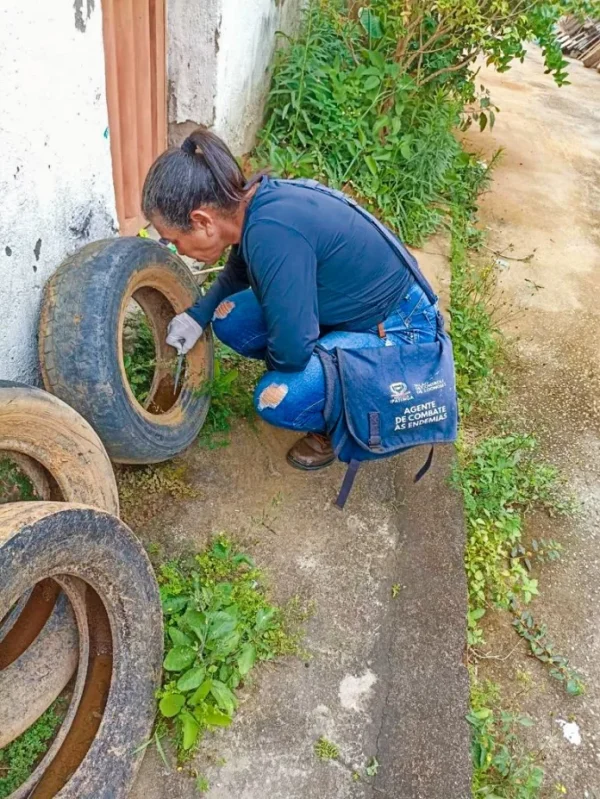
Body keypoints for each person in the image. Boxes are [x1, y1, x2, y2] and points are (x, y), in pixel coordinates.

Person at [141, 127, 439, 471]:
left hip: (402, 331)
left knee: (279, 398)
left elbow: (293, 352)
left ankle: (338, 423)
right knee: (228, 317)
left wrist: (293, 358)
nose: (176, 249)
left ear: (202, 221)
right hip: (356, 309)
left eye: (173, 240)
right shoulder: (253, 206)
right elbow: (239, 269)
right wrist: (198, 314)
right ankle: (331, 364)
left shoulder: (272, 234)